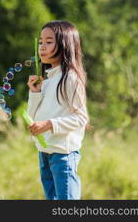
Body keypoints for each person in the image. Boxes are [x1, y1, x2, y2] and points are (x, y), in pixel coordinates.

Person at [26, 20, 89, 200]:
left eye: (48, 42)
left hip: (63, 155)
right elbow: (31, 116)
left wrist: (49, 124)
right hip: (44, 152)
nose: (42, 47)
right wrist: (35, 92)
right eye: (40, 42)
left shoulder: (70, 78)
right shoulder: (46, 80)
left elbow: (80, 119)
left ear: (64, 44)